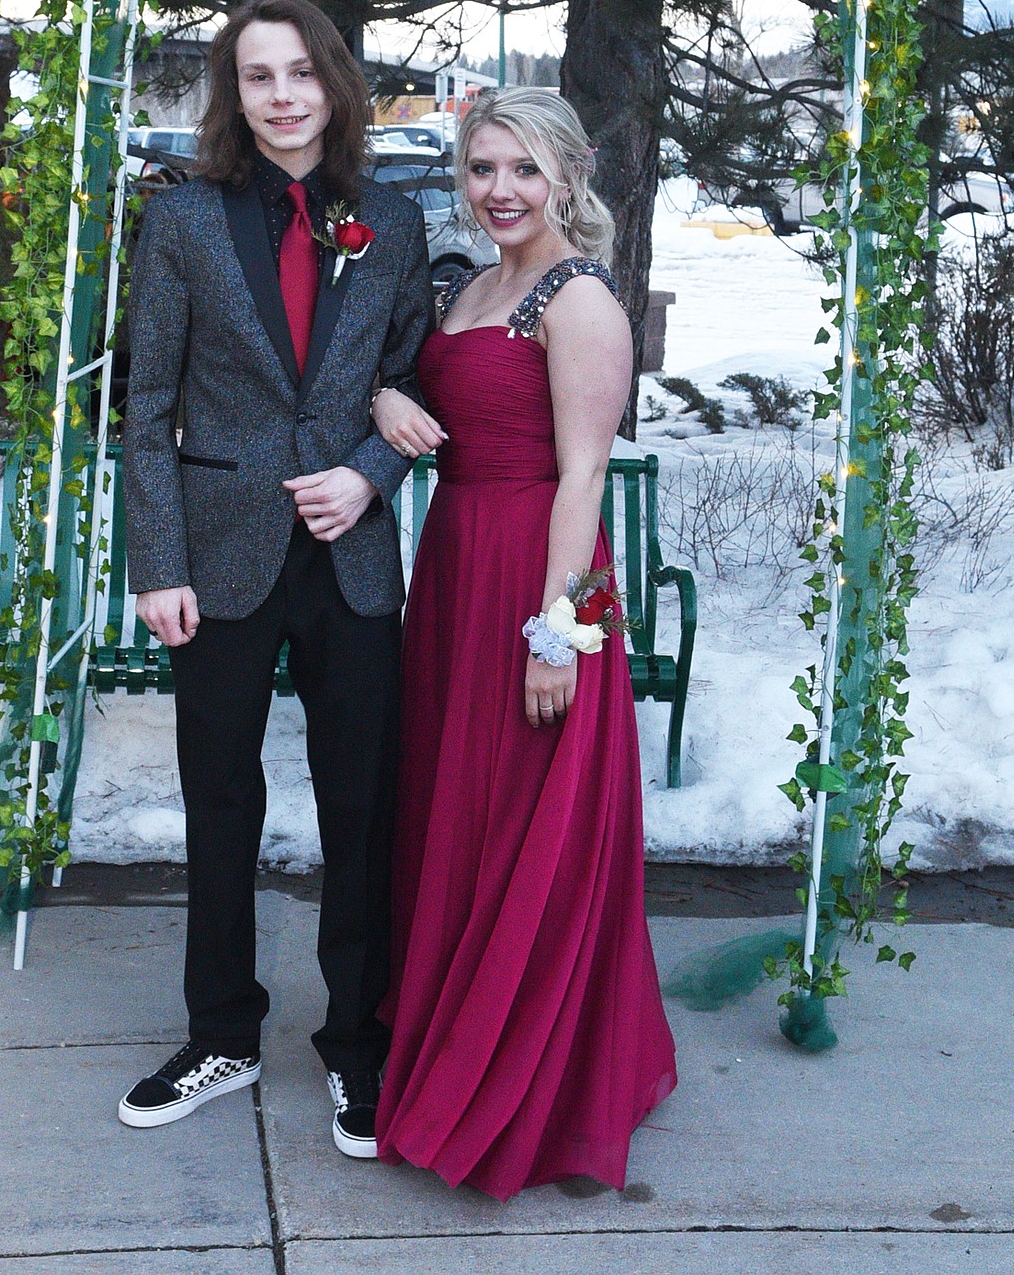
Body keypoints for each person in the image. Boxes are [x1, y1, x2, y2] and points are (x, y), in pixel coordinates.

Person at [117, 0, 434, 1154]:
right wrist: (157, 563)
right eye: (260, 77)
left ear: (334, 83)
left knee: (363, 806)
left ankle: (360, 1044)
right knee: (221, 802)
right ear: (234, 95)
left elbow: (415, 384)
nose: (285, 94)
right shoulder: (185, 222)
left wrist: (367, 477)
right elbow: (146, 406)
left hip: (350, 557)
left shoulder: (392, 221)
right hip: (220, 558)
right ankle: (221, 1031)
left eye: (302, 72)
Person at [370, 88, 676, 1200]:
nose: (500, 189)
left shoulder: (579, 297)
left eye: (524, 171)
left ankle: (534, 1073)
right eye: (483, 167)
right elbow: (413, 380)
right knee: (463, 804)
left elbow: (583, 474)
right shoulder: (468, 286)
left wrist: (560, 630)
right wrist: (381, 391)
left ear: (568, 177)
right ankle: (451, 1018)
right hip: (457, 561)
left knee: (526, 819)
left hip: (537, 573)